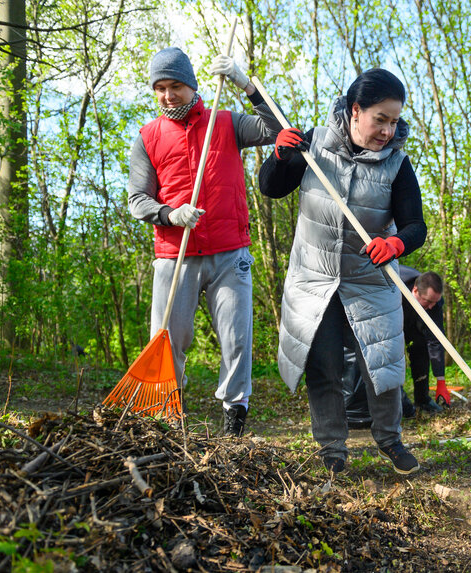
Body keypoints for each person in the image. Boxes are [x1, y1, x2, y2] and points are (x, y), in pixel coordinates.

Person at [258, 68, 426, 475]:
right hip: (315, 280)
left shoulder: (397, 165)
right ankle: (332, 449)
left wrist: (397, 243)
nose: (388, 130)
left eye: (394, 121)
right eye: (379, 119)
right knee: (324, 366)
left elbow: (415, 225)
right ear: (355, 111)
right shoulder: (314, 145)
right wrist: (280, 155)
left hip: (371, 279)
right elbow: (271, 187)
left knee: (382, 365)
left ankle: (390, 439)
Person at [127, 47, 281, 436]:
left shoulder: (225, 123)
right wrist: (169, 214)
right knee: (167, 339)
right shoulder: (147, 138)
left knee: (236, 339)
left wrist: (248, 84)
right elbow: (137, 200)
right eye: (159, 88)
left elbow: (277, 131)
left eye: (175, 86)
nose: (167, 96)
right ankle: (167, 419)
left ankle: (234, 419)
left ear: (192, 85)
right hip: (174, 252)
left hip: (230, 251)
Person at [342, 266, 449, 425]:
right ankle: (397, 398)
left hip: (412, 317)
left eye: (435, 302)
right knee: (388, 352)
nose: (432, 307)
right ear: (415, 291)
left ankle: (423, 399)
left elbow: (436, 339)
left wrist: (441, 381)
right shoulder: (393, 285)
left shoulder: (433, 302)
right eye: (428, 301)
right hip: (387, 314)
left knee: (420, 346)